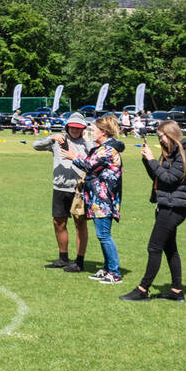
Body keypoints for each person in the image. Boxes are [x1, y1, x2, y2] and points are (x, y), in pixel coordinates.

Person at [122, 120, 186, 302]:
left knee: (154, 247)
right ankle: (177, 291)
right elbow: (157, 178)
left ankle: (142, 289)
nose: (160, 140)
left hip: (174, 208)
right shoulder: (171, 154)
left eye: (161, 136)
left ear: (170, 134)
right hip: (166, 205)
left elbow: (169, 179)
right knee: (170, 249)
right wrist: (147, 161)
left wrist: (153, 160)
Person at [61, 115, 124, 284]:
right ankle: (107, 268)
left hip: (104, 199)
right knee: (102, 235)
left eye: (94, 130)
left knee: (104, 235)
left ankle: (115, 273)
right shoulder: (104, 148)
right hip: (98, 198)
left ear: (104, 132)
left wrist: (73, 157)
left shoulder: (107, 150)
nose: (91, 132)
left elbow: (89, 165)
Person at [34, 112, 92, 272]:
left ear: (83, 129)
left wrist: (87, 140)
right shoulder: (58, 140)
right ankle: (63, 258)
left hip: (79, 189)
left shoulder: (86, 142)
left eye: (78, 128)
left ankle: (79, 261)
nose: (75, 130)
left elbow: (94, 157)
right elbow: (36, 145)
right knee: (59, 222)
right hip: (60, 188)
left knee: (80, 224)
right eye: (72, 127)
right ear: (67, 126)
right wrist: (51, 138)